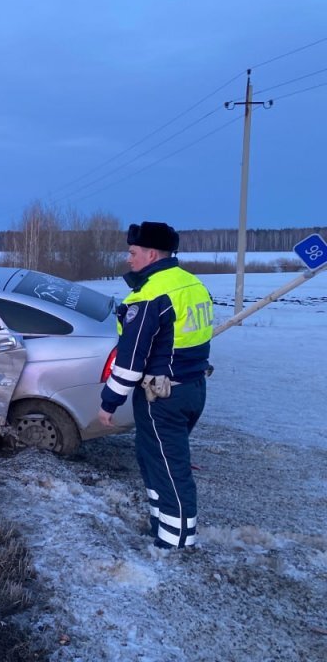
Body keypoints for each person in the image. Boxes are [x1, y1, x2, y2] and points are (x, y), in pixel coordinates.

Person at [97, 221, 213, 549]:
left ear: (151, 253)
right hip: (192, 388)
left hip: (161, 396)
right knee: (153, 459)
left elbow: (131, 362)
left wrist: (109, 403)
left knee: (168, 468)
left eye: (133, 253)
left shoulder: (149, 295)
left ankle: (175, 542)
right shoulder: (192, 284)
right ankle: (161, 526)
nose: (128, 259)